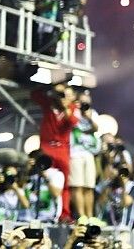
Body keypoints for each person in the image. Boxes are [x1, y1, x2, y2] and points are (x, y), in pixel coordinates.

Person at [31, 84, 78, 221]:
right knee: (43, 177)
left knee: (64, 184)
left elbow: (72, 122)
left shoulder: (73, 108)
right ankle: (42, 210)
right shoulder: (49, 104)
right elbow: (34, 94)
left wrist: (65, 107)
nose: (64, 97)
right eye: (62, 94)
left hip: (62, 149)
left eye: (67, 95)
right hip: (47, 147)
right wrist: (51, 90)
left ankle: (64, 213)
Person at [69, 90, 99, 219]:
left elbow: (96, 128)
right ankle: (82, 216)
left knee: (89, 186)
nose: (85, 104)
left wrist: (88, 117)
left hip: (89, 153)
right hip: (75, 153)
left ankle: (90, 216)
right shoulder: (73, 112)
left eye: (87, 102)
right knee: (77, 185)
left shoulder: (93, 114)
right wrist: (78, 111)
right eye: (82, 102)